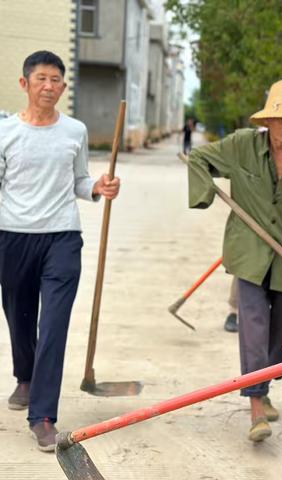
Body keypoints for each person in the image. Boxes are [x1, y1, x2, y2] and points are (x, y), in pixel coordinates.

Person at [188, 80, 282, 442]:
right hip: (249, 255)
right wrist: (206, 192)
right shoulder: (240, 146)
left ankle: (263, 386)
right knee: (252, 327)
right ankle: (256, 407)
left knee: (281, 333)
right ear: (269, 120)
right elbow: (198, 158)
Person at [0, 50, 120, 452]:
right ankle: (25, 376)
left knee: (53, 326)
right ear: (25, 84)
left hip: (63, 238)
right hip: (13, 237)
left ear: (64, 87)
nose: (49, 86)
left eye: (56, 80)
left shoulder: (75, 131)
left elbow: (80, 181)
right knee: (19, 319)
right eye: (41, 79)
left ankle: (43, 415)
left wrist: (98, 188)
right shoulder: (6, 134)